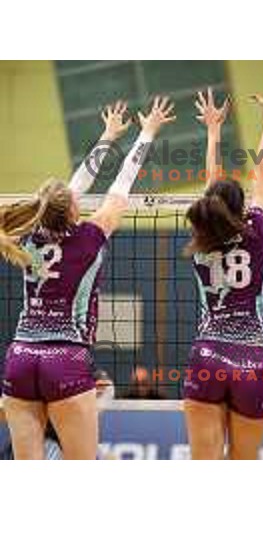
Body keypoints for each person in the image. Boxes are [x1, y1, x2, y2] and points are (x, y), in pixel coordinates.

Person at [0, 97, 175, 459]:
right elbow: (123, 182)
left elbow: (66, 193)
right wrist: (146, 132)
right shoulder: (91, 236)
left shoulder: (30, 234)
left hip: (20, 355)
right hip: (65, 357)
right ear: (74, 208)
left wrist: (108, 135)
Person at [183, 75, 263, 459]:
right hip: (254, 360)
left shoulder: (201, 235)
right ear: (242, 208)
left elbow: (211, 187)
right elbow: (261, 172)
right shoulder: (261, 231)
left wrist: (213, 131)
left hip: (209, 354)